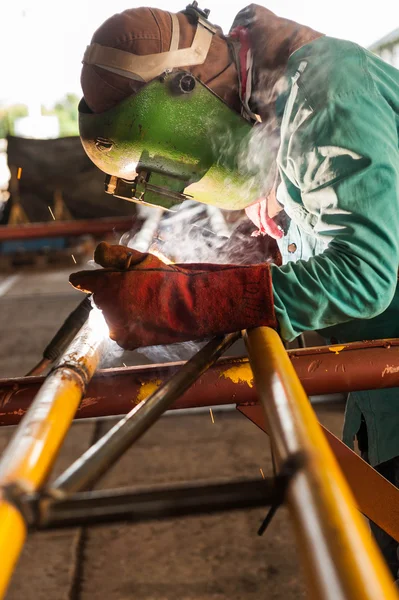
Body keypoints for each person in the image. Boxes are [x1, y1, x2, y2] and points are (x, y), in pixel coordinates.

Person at [70, 3, 399, 577]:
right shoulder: (283, 119)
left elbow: (363, 275)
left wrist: (179, 301)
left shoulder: (328, 85)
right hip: (384, 405)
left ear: (188, 95)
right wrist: (204, 273)